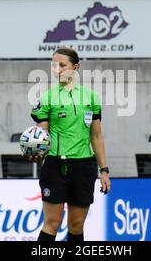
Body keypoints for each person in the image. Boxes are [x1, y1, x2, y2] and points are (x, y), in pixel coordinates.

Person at [30, 48, 111, 242]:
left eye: (62, 65)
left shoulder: (91, 98)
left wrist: (104, 171)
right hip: (54, 166)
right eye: (54, 65)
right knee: (52, 223)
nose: (57, 70)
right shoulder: (47, 98)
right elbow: (42, 136)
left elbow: (97, 137)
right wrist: (36, 150)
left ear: (76, 67)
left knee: (76, 225)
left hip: (83, 167)